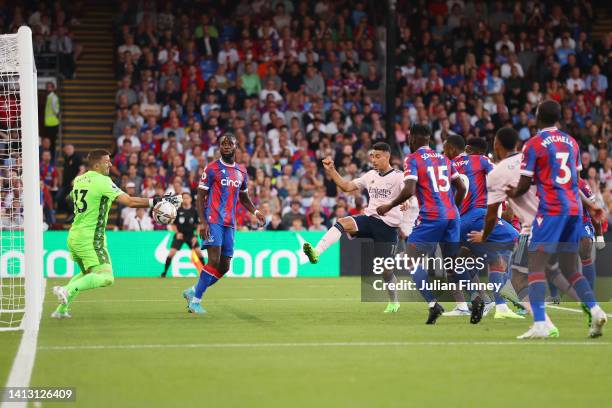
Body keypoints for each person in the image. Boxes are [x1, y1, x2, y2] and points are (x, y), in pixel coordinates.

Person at [505, 100, 607, 339]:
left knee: (535, 265)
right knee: (571, 269)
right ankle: (595, 309)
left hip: (551, 209)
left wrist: (510, 193)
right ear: (559, 118)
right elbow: (576, 180)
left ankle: (540, 323)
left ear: (538, 117)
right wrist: (591, 205)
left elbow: (524, 183)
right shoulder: (571, 142)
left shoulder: (534, 143)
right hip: (573, 210)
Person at [51, 149, 182, 318]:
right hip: (91, 237)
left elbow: (73, 198)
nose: (111, 165)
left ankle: (61, 310)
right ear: (97, 165)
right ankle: (66, 290)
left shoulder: (79, 179)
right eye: (107, 162)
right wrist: (158, 200)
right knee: (106, 277)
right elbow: (130, 201)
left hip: (74, 235)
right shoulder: (103, 181)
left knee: (87, 274)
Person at [302, 142, 411, 313]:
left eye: (378, 156)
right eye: (372, 156)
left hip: (388, 227)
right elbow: (346, 187)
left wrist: (406, 202)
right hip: (369, 219)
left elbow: (408, 192)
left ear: (387, 156)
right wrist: (332, 171)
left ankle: (394, 301)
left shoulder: (398, 176)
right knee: (341, 223)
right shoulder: (370, 175)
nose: (374, 160)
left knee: (386, 270)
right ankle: (317, 252)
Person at [377, 125, 468, 324]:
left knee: (411, 261)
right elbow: (461, 187)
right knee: (452, 263)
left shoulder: (413, 159)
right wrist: (454, 208)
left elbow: (409, 189)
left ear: (414, 139)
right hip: (452, 216)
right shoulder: (444, 158)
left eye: (409, 138)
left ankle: (433, 304)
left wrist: (389, 205)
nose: (408, 142)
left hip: (432, 216)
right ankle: (470, 302)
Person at [183, 134, 265, 314]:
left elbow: (244, 197)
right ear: (219, 148)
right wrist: (203, 221)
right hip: (213, 220)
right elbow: (200, 196)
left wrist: (256, 212)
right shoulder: (212, 168)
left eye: (230, 143)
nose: (226, 146)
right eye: (223, 144)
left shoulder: (241, 171)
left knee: (225, 266)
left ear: (236, 147)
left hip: (230, 223)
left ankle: (193, 291)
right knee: (213, 260)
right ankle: (195, 302)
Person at [443, 135, 522, 320]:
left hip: (458, 222)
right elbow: (499, 176)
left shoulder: (448, 165)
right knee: (515, 237)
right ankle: (502, 296)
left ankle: (487, 301)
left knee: (459, 263)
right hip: (478, 216)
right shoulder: (481, 160)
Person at [161, 192, 205, 278]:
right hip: (180, 235)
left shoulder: (194, 211)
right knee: (171, 253)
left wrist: (196, 236)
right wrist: (177, 233)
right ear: (181, 200)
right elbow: (173, 224)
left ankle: (205, 273)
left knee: (199, 252)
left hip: (191, 236)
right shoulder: (177, 211)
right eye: (184, 198)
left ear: (190, 199)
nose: (186, 200)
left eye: (187, 198)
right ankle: (164, 273)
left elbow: (199, 225)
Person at [44, 82, 60, 153]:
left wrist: (55, 113)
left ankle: (52, 159)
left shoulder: (53, 97)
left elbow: (56, 110)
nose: (48, 88)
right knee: (49, 143)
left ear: (53, 88)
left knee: (51, 143)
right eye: (48, 87)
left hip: (52, 123)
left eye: (50, 87)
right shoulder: (49, 96)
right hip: (49, 123)